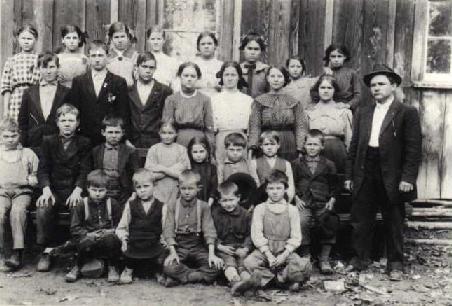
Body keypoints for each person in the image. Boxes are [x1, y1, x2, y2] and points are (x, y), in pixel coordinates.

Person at [344, 64, 422, 280]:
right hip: (365, 168)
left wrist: (407, 178)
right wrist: (350, 175)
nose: (376, 88)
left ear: (394, 85)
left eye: (381, 84)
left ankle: (395, 263)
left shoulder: (407, 112)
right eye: (372, 85)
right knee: (361, 219)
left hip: (392, 173)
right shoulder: (363, 111)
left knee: (394, 219)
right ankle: (359, 259)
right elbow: (354, 146)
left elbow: (413, 149)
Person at [35, 103, 92, 272]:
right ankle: (45, 251)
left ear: (78, 123)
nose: (67, 124)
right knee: (43, 208)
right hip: (53, 190)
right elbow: (43, 169)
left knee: (77, 206)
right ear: (57, 122)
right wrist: (46, 189)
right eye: (63, 120)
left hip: (74, 190)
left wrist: (78, 190)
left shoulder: (84, 142)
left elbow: (85, 170)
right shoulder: (48, 141)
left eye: (71, 120)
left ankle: (76, 253)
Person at [240, 170, 311, 294]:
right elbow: (256, 234)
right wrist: (268, 255)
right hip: (265, 249)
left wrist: (284, 255)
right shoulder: (260, 208)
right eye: (271, 188)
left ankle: (272, 279)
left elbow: (296, 237)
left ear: (285, 189)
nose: (275, 191)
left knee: (303, 265)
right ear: (266, 190)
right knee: (248, 262)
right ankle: (281, 281)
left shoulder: (292, 210)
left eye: (279, 188)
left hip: (285, 250)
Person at [162, 170, 223, 286]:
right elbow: (168, 230)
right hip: (180, 246)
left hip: (198, 246)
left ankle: (179, 278)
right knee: (168, 266)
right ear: (179, 187)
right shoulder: (172, 205)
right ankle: (200, 276)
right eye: (183, 189)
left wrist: (212, 254)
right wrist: (173, 253)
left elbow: (209, 231)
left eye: (190, 189)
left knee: (216, 266)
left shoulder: (204, 206)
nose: (187, 192)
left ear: (198, 188)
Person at [65, 40, 130, 146]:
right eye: (94, 55)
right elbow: (74, 111)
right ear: (89, 57)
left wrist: (124, 138)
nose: (97, 59)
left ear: (108, 57)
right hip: (84, 137)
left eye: (100, 55)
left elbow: (124, 113)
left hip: (109, 138)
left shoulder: (118, 82)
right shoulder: (79, 81)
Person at [292, 129, 339, 274]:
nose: (312, 147)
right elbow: (291, 183)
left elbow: (335, 184)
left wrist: (332, 199)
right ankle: (306, 256)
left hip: (322, 201)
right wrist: (295, 197)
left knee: (329, 220)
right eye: (309, 144)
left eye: (315, 144)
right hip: (304, 201)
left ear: (322, 147)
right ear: (304, 145)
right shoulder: (296, 163)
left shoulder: (329, 164)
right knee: (302, 221)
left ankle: (324, 258)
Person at [65, 170, 122, 283]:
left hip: (106, 239)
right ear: (87, 189)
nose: (97, 193)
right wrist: (88, 234)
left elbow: (120, 226)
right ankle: (77, 266)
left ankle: (112, 267)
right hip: (89, 241)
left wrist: (110, 232)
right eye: (94, 190)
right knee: (82, 241)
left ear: (107, 190)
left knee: (112, 240)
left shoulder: (113, 204)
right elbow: (75, 228)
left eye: (101, 190)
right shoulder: (82, 204)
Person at [115, 169, 167, 284]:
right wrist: (124, 239)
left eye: (146, 186)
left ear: (154, 186)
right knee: (128, 252)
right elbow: (122, 227)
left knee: (161, 253)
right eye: (139, 187)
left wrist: (164, 240)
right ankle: (128, 270)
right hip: (135, 243)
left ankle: (157, 271)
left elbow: (165, 228)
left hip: (153, 242)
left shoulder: (162, 206)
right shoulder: (131, 205)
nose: (142, 190)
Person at [0, 119, 39, 271]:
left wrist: (33, 178)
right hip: (2, 192)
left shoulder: (27, 154)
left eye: (13, 136)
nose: (10, 139)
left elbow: (35, 175)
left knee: (18, 212)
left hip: (22, 192)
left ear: (19, 135)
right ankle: (3, 252)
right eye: (6, 136)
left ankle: (17, 252)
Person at [248, 66, 308, 161]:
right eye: (272, 76)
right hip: (267, 141)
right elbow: (255, 126)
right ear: (267, 78)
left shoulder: (294, 102)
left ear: (285, 79)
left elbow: (300, 126)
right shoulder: (259, 101)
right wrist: (252, 148)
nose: (276, 80)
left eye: (279, 76)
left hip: (288, 142)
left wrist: (300, 149)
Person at [19, 52, 69, 154]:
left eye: (52, 67)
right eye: (44, 67)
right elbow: (22, 122)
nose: (48, 71)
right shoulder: (29, 92)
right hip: (34, 144)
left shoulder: (67, 92)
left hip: (59, 144)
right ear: (38, 69)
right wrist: (23, 146)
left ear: (58, 68)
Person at [211, 181, 252, 296]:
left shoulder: (245, 214)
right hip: (223, 248)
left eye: (231, 200)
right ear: (219, 201)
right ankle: (235, 282)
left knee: (243, 263)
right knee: (228, 262)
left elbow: (250, 234)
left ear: (238, 198)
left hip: (240, 248)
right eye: (224, 200)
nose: (228, 204)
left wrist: (245, 248)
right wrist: (219, 246)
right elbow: (210, 233)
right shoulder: (214, 214)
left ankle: (247, 282)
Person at [88, 116, 139, 207]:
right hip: (102, 191)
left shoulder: (129, 151)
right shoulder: (96, 151)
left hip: (122, 192)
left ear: (122, 133)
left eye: (117, 132)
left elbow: (136, 174)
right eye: (110, 132)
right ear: (103, 133)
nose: (114, 135)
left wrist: (134, 193)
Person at [306, 74, 352, 174]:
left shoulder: (343, 111)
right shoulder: (309, 111)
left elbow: (349, 137)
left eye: (329, 88)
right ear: (317, 90)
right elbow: (305, 134)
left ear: (334, 90)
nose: (325, 91)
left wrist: (350, 157)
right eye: (322, 87)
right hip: (315, 150)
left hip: (338, 151)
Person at [162, 62, 214, 148]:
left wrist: (210, 149)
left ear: (198, 78)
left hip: (199, 144)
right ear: (179, 76)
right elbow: (167, 128)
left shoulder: (205, 100)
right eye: (186, 76)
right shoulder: (171, 99)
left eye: (193, 76)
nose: (189, 79)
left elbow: (209, 129)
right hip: (178, 142)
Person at [128, 52, 173, 149]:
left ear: (155, 69)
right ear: (137, 67)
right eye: (144, 66)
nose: (148, 70)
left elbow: (167, 118)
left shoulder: (164, 91)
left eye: (151, 67)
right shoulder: (128, 90)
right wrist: (125, 139)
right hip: (132, 142)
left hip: (156, 141)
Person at [211, 61, 252, 163]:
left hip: (241, 141)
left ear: (239, 77)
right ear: (222, 77)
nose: (229, 78)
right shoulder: (213, 100)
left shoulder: (248, 100)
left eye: (233, 75)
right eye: (226, 75)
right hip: (220, 141)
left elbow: (251, 129)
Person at [144, 121, 190, 204]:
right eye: (164, 133)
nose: (167, 136)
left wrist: (162, 169)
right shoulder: (154, 149)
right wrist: (173, 170)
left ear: (176, 133)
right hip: (157, 187)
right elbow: (149, 174)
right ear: (159, 133)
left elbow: (185, 175)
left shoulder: (181, 150)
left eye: (170, 133)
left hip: (176, 187)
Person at [1, 24, 40, 121]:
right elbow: (6, 88)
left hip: (35, 97)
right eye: (23, 38)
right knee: (17, 127)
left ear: (35, 39)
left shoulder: (40, 59)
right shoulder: (11, 60)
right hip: (16, 99)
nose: (26, 42)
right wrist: (5, 110)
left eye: (29, 39)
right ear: (18, 39)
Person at [311, 44, 361, 111]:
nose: (336, 59)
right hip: (327, 107)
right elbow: (313, 92)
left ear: (345, 57)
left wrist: (348, 105)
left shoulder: (352, 73)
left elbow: (358, 95)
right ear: (329, 57)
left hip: (345, 108)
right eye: (333, 56)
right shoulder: (326, 73)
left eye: (339, 56)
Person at [249, 131, 295, 203]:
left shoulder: (286, 164)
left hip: (282, 201)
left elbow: (290, 186)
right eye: (266, 144)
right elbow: (256, 186)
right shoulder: (254, 163)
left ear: (278, 145)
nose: (269, 147)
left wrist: (286, 201)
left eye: (272, 144)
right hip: (262, 201)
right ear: (261, 146)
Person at [187, 136, 217, 206]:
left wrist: (210, 202)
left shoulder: (212, 168)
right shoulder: (189, 168)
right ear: (190, 153)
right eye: (195, 152)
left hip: (209, 203)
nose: (198, 155)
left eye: (201, 151)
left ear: (207, 151)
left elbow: (214, 187)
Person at [106, 22, 138, 87]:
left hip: (129, 92)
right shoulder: (107, 56)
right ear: (111, 38)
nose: (120, 40)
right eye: (116, 37)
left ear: (128, 37)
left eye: (122, 36)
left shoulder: (135, 56)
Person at [192, 32, 223, 96]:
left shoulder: (221, 66)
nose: (206, 46)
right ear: (198, 47)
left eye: (209, 44)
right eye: (203, 44)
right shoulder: (192, 65)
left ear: (215, 46)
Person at [239, 32, 269, 98]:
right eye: (249, 48)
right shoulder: (237, 69)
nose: (252, 52)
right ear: (243, 49)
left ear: (261, 51)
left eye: (256, 49)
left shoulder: (266, 70)